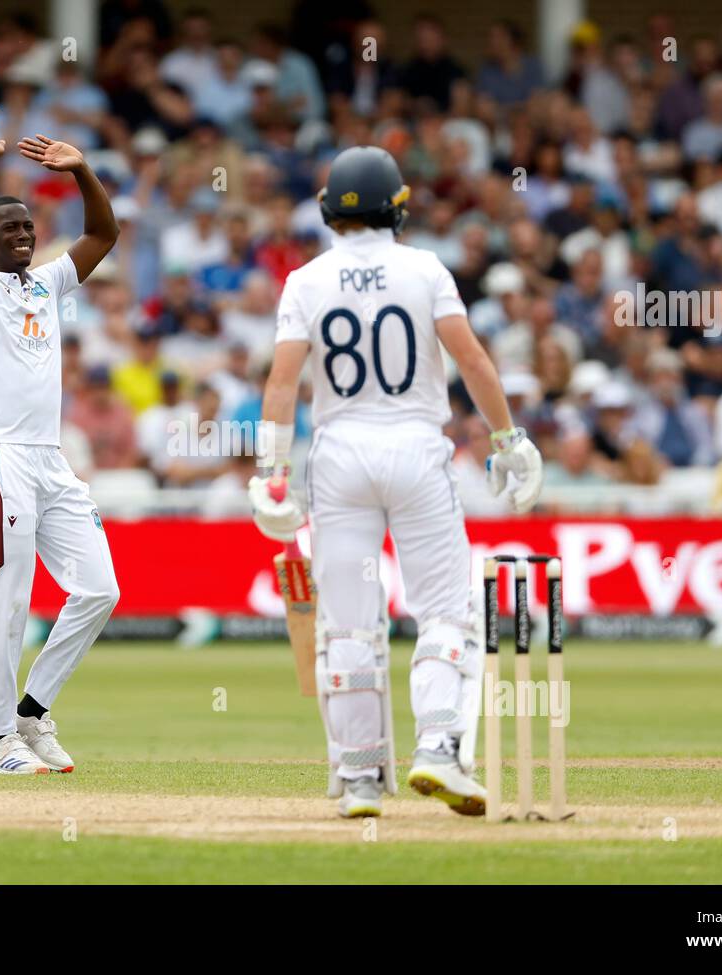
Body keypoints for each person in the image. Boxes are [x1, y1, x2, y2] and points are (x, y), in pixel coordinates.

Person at [248, 147, 544, 819]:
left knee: (348, 624)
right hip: (415, 449)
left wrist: (270, 471)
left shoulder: (306, 279)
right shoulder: (425, 268)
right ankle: (438, 748)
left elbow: (283, 382)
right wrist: (509, 438)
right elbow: (470, 357)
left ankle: (357, 778)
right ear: (400, 208)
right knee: (444, 611)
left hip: (339, 455)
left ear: (327, 212)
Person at [0, 107, 120, 777]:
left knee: (100, 589)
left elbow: (104, 230)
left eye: (27, 228)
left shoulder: (48, 281)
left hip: (51, 459)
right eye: (6, 228)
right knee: (11, 592)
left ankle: (32, 711)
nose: (20, 235)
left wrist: (83, 171)